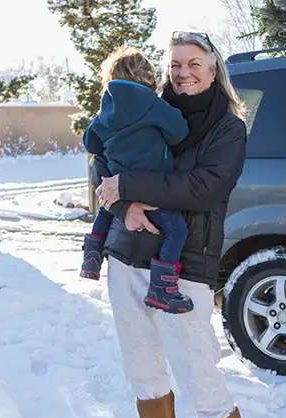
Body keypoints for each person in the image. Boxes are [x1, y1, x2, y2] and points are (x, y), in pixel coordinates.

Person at [93, 31, 264, 418]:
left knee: (196, 366)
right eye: (176, 65)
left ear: (213, 70)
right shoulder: (140, 104)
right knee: (141, 360)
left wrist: (126, 183)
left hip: (186, 263)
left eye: (193, 64)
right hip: (127, 253)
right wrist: (123, 203)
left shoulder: (227, 127)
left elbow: (203, 187)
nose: (183, 73)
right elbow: (99, 157)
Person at [80, 46, 194, 313]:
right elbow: (179, 132)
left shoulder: (105, 111)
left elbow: (91, 143)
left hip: (118, 189)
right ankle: (162, 289)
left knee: (107, 210)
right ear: (147, 76)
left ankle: (92, 256)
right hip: (152, 186)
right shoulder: (153, 105)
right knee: (176, 230)